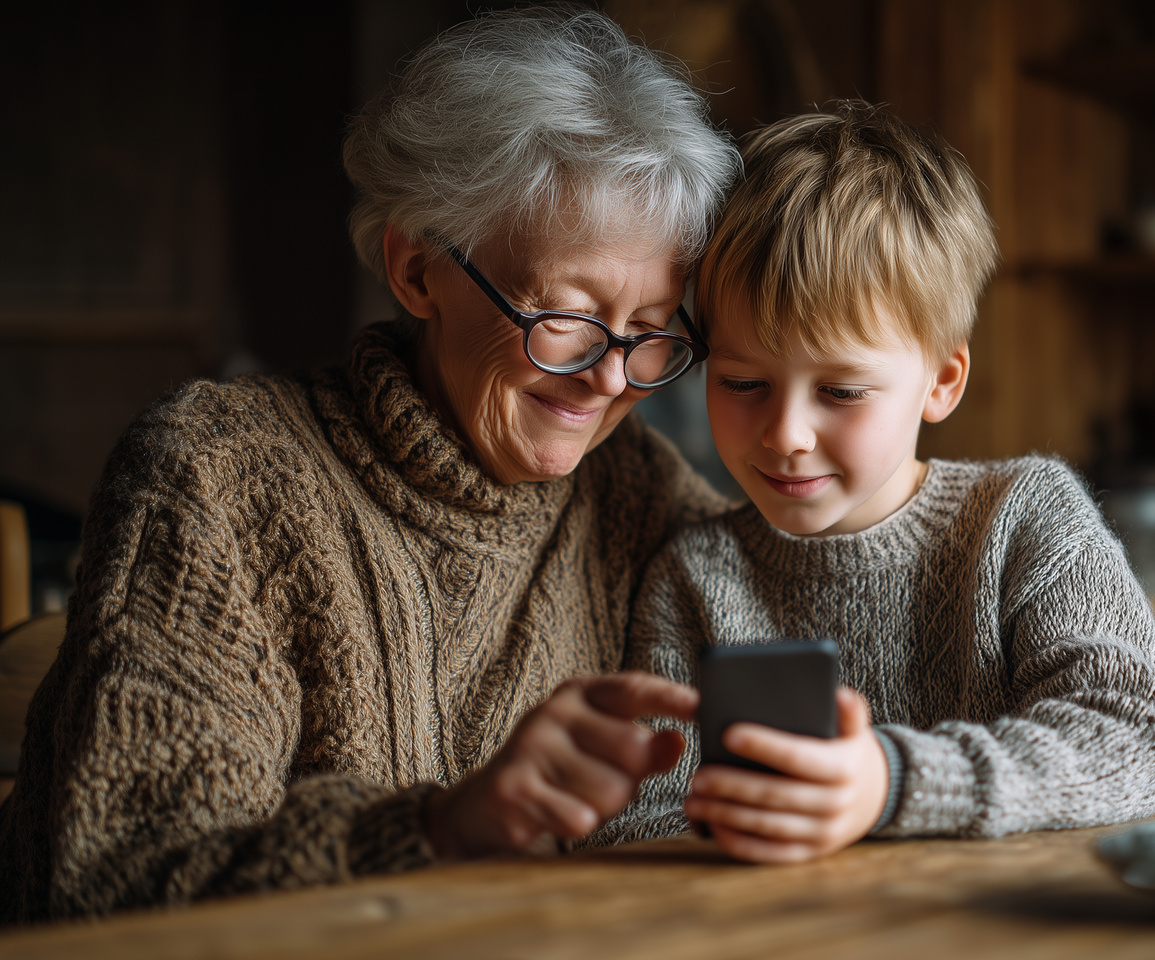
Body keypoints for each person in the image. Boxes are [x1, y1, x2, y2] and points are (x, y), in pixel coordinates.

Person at [0, 7, 740, 922]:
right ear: (418, 268)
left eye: (648, 333)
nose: (608, 377)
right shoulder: (217, 476)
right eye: (565, 316)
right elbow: (114, 877)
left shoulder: (638, 489)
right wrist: (439, 828)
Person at [593, 102, 1155, 863]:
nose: (785, 434)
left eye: (840, 392)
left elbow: (1136, 738)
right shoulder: (696, 577)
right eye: (743, 383)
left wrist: (892, 783)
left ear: (942, 382)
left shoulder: (1025, 523)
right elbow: (645, 820)